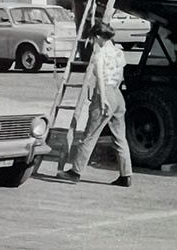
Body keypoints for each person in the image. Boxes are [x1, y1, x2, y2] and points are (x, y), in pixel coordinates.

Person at [57, 20, 133, 187]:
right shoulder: (119, 52)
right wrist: (113, 93)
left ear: (98, 37)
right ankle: (126, 175)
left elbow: (99, 78)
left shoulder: (99, 54)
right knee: (120, 137)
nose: (91, 41)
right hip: (118, 95)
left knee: (89, 135)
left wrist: (103, 98)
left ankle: (75, 172)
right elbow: (120, 76)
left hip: (104, 94)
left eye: (93, 38)